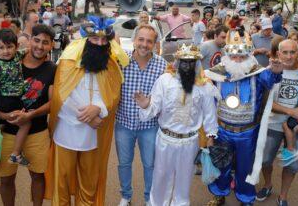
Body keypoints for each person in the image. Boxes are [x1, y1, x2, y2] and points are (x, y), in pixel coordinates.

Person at [44, 17, 129, 205]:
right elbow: (60, 96)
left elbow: (114, 95)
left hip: (93, 136)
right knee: (62, 183)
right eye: (94, 39)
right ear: (85, 40)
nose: (99, 44)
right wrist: (87, 117)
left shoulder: (111, 65)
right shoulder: (67, 61)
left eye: (104, 40)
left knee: (89, 183)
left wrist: (98, 108)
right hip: (66, 132)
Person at [134, 44, 218, 206]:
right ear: (177, 62)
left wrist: (210, 136)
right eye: (184, 62)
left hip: (189, 142)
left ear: (197, 64)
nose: (187, 66)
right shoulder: (165, 81)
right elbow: (153, 108)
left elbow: (209, 114)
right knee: (160, 176)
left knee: (184, 179)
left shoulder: (204, 86)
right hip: (165, 139)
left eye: (191, 62)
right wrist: (145, 105)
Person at [205, 31, 283, 206]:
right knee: (221, 165)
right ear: (227, 55)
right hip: (222, 130)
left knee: (245, 168)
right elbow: (207, 100)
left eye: (242, 56)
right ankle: (219, 194)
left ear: (249, 55)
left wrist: (277, 72)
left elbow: (271, 79)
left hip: (248, 132)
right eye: (233, 55)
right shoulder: (217, 73)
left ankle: (245, 198)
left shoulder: (257, 72)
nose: (237, 60)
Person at [0, 24, 56, 206]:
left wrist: (30, 115)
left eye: (45, 43)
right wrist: (3, 114)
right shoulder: (9, 60)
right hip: (7, 131)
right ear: (29, 39)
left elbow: (53, 103)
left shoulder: (52, 68)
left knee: (38, 177)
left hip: (37, 132)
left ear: (51, 46)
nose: (40, 46)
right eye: (37, 40)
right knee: (6, 179)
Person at [116, 24, 167, 206]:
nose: (144, 44)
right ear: (134, 40)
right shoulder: (121, 61)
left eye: (149, 41)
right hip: (123, 123)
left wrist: (151, 102)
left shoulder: (162, 65)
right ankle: (126, 196)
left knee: (150, 165)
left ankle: (149, 198)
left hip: (150, 126)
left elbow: (166, 96)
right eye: (141, 39)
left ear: (154, 44)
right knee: (124, 163)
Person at [256, 39, 298, 206]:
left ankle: (283, 197)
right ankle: (267, 184)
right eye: (284, 52)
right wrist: (290, 111)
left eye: (292, 52)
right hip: (272, 125)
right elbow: (264, 103)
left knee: (292, 166)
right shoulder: (268, 72)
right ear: (278, 54)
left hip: (296, 129)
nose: (288, 56)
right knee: (265, 161)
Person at [0, 29, 31, 166]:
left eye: (9, 47)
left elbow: (27, 50)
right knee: (26, 123)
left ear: (16, 46)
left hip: (13, 100)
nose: (6, 51)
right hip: (7, 101)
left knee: (0, 127)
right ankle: (15, 154)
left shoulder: (17, 55)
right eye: (1, 48)